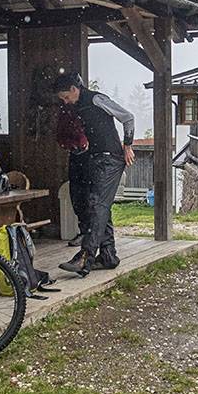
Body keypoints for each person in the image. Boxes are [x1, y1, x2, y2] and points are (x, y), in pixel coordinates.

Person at [51, 72, 135, 276]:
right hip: (96, 159)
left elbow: (128, 117)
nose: (65, 101)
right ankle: (108, 256)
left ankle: (84, 258)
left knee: (97, 205)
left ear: (74, 89)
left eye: (66, 97)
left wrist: (128, 145)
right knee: (97, 206)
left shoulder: (96, 99)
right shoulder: (77, 106)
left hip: (111, 158)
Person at [55, 102, 90, 246]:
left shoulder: (88, 106)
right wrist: (71, 144)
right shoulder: (65, 111)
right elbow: (59, 135)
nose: (65, 99)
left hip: (90, 155)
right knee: (76, 194)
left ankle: (93, 233)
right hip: (75, 155)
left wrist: (88, 142)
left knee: (91, 195)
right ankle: (83, 231)